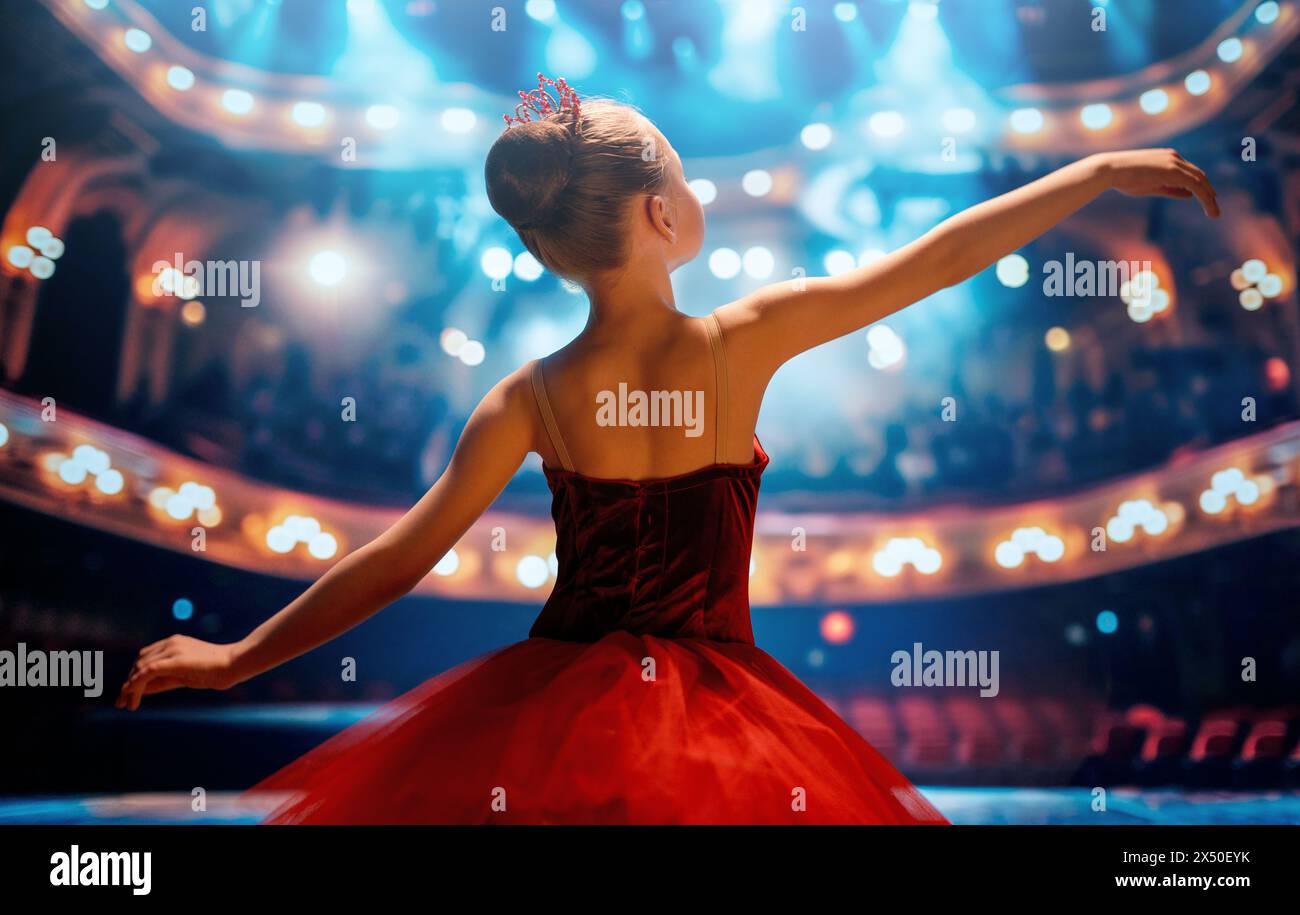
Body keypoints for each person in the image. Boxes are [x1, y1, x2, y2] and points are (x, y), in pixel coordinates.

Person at [116, 74, 1218, 824]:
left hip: (542, 717)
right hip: (730, 718)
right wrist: (1089, 177)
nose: (693, 194)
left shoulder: (529, 397)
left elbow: (396, 560)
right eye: (686, 180)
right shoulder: (744, 343)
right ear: (659, 215)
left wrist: (231, 658)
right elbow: (932, 262)